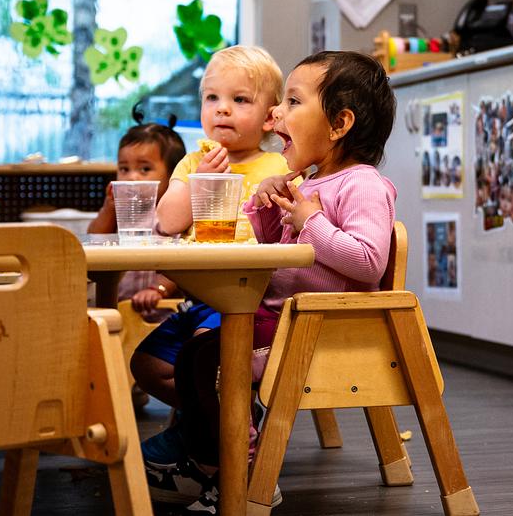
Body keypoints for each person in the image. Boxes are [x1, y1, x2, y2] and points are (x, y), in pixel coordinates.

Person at [145, 50, 397, 511]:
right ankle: (212, 466)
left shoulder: (362, 184)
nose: (278, 112)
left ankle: (240, 472)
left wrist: (309, 221)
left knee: (211, 363)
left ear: (339, 124)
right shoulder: (309, 180)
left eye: (294, 102)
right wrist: (265, 210)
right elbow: (274, 253)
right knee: (195, 356)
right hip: (280, 319)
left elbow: (368, 261)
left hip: (318, 331)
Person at [131, 45, 288, 423]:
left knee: (201, 352)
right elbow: (167, 223)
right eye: (212, 98)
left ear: (269, 118)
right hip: (199, 295)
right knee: (146, 365)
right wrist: (202, 180)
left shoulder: (279, 164)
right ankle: (220, 421)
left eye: (239, 99)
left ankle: (220, 432)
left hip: (248, 299)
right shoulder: (193, 160)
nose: (222, 108)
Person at [87, 112, 186, 312]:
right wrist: (108, 209)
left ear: (173, 174)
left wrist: (159, 289)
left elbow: (183, 260)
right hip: (117, 305)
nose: (131, 177)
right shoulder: (121, 211)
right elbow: (95, 239)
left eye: (144, 169)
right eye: (124, 169)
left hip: (160, 308)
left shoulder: (174, 216)